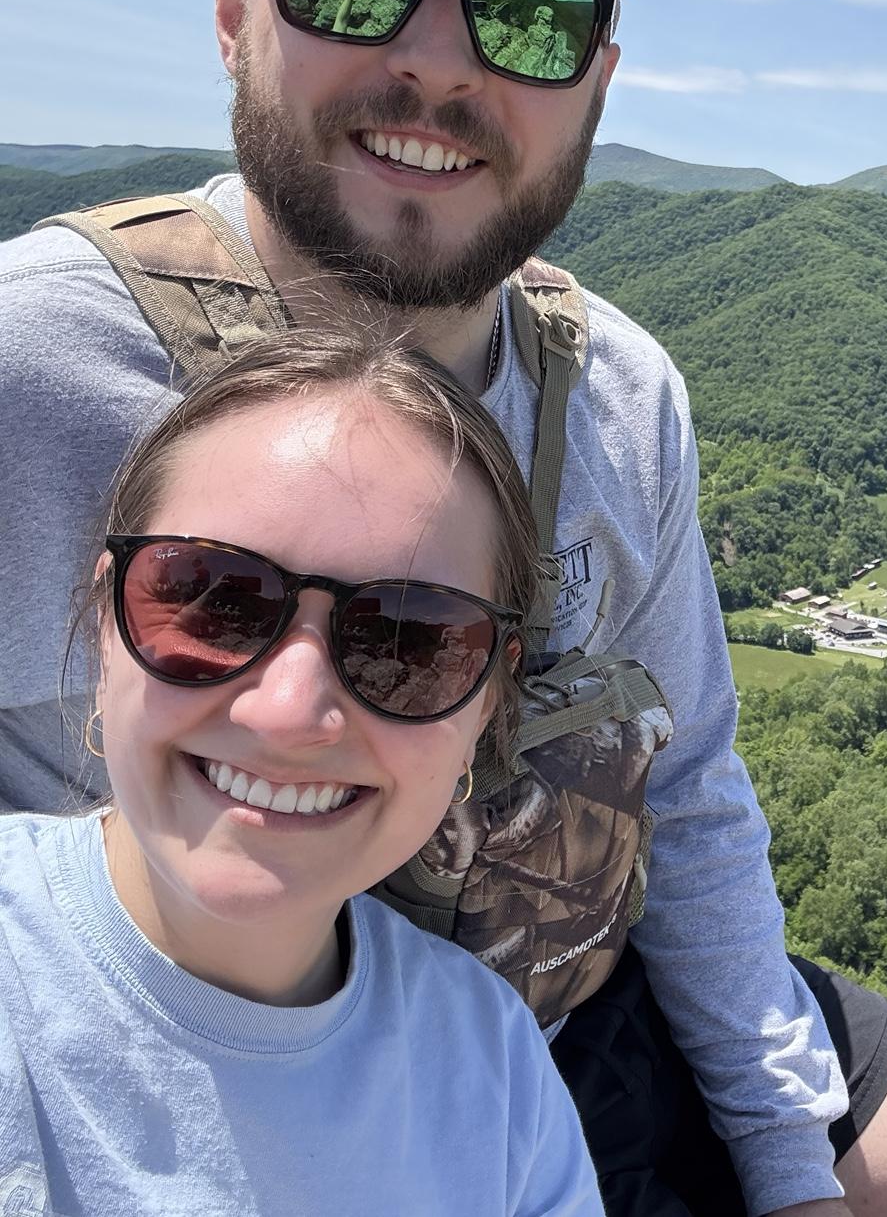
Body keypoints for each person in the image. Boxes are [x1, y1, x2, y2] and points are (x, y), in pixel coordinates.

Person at [0, 0, 887, 1215]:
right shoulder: (40, 362)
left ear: (595, 81)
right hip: (237, 1075)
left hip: (578, 990)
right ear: (235, 11)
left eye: (529, 16)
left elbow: (683, 788)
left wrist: (785, 1162)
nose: (433, 59)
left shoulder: (615, 383)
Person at [0, 328, 604, 1215]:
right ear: (104, 618)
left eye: (409, 640)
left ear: (485, 703)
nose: (288, 712)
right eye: (210, 600)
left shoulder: (494, 1064)